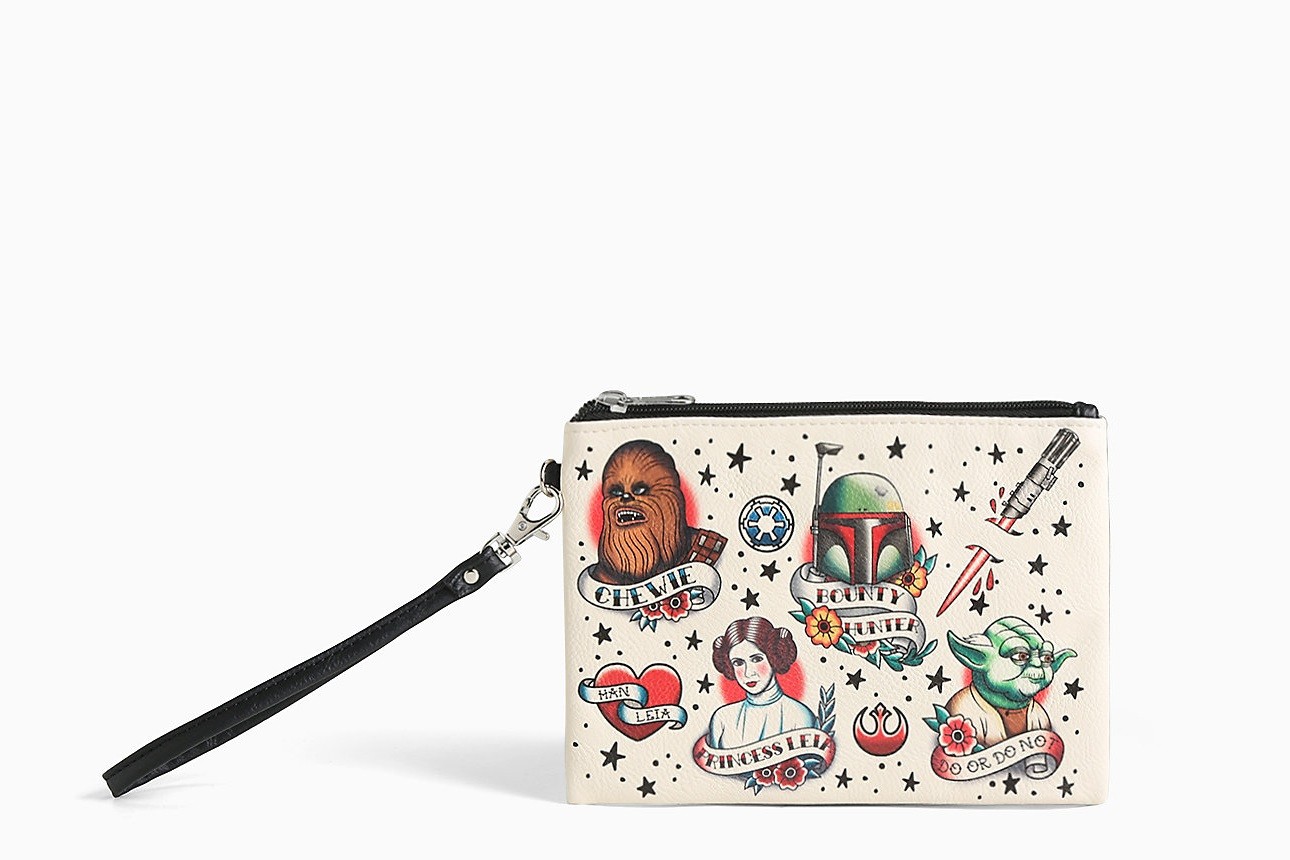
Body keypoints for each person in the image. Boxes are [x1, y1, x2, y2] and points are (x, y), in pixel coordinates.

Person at [707, 617, 816, 748]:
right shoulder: (722, 718)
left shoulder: (800, 715)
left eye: (757, 659)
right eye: (738, 663)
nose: (748, 673)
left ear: (774, 657)